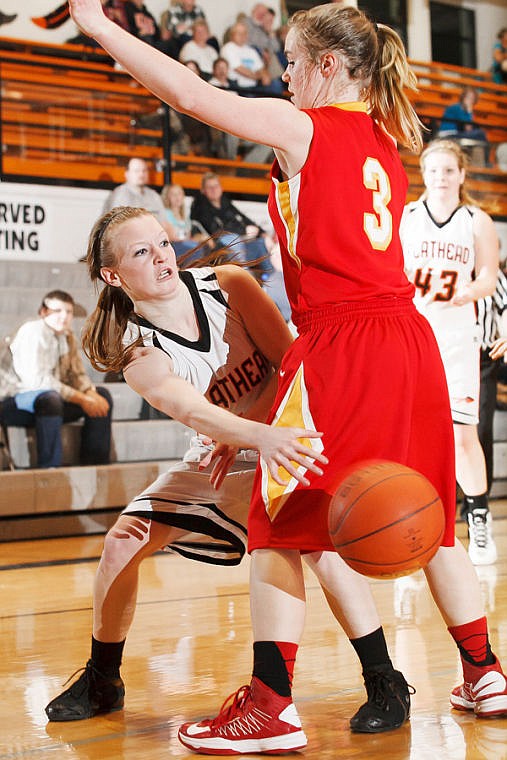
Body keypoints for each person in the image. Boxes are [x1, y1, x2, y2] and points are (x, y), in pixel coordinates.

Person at [68, 2, 507, 753]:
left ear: (327, 66)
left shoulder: (309, 125)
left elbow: (190, 97)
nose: (286, 77)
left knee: (279, 525)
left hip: (345, 336)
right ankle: (484, 670)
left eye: (295, 64)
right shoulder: (381, 132)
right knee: (427, 515)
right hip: (407, 337)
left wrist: (98, 24)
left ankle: (269, 706)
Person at [44, 206, 407, 734]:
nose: (162, 257)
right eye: (141, 252)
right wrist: (243, 435)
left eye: (162, 243)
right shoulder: (138, 350)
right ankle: (103, 678)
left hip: (292, 431)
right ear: (113, 276)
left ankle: (385, 679)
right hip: (229, 453)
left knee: (315, 548)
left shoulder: (229, 285)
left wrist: (255, 431)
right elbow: (193, 412)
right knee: (125, 538)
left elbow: (293, 362)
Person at [401, 138, 499, 566]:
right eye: (433, 170)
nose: (439, 178)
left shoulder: (477, 220)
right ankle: (411, 521)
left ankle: (478, 516)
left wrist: (468, 292)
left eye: (447, 170)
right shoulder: (404, 217)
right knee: (410, 437)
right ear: (423, 174)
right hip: (412, 337)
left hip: (458, 338)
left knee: (462, 436)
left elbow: (490, 278)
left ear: (461, 174)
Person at [0, 290, 112, 469]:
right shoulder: (32, 332)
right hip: (12, 402)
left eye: (68, 312)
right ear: (43, 312)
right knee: (50, 398)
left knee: (102, 396)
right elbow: (37, 382)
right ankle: (50, 467)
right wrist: (82, 399)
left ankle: (95, 466)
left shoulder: (67, 336)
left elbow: (77, 374)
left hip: (48, 402)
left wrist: (90, 393)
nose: (64, 316)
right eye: (57, 311)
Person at [190, 172, 273, 279]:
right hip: (219, 249)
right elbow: (217, 231)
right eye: (210, 187)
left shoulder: (225, 203)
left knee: (260, 243)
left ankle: (273, 280)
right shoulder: (200, 206)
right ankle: (246, 279)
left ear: (221, 188)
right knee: (232, 239)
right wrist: (244, 231)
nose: (214, 189)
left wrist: (262, 233)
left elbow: (243, 218)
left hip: (238, 245)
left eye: (216, 186)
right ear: (203, 191)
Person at [476, 268, 507, 494]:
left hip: (484, 358)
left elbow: (506, 304)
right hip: (447, 355)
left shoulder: (492, 273)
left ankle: (479, 503)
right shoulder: (444, 261)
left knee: (481, 428)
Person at [102, 157, 173, 235]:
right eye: (136, 171)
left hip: (154, 239)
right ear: (127, 174)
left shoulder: (154, 195)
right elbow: (119, 227)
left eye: (144, 171)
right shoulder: (120, 194)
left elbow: (165, 223)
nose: (141, 174)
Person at [438, 87, 489, 166]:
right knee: (481, 134)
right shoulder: (458, 107)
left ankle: (482, 163)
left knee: (480, 136)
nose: (470, 100)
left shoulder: (461, 109)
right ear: (463, 97)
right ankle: (486, 162)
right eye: (468, 97)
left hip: (455, 134)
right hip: (448, 136)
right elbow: (468, 128)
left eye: (472, 98)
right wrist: (469, 110)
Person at [160, 182, 208, 261]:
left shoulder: (185, 215)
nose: (177, 197)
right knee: (195, 248)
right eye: (173, 194)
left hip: (185, 243)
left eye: (179, 193)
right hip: (172, 245)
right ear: (167, 197)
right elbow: (172, 237)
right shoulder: (165, 213)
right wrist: (193, 240)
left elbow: (187, 235)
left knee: (204, 244)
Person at [220, 21, 272, 92]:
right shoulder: (228, 48)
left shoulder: (251, 50)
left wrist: (264, 75)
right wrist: (258, 77)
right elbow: (240, 69)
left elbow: (261, 68)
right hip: (238, 87)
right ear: (232, 35)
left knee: (275, 85)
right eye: (239, 33)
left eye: (244, 33)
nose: (242, 36)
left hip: (255, 86)